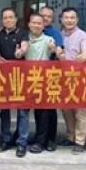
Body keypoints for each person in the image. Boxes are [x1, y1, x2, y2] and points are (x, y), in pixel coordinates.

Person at [0, 7, 30, 158]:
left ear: (16, 19)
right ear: (2, 20)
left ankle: (22, 143)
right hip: (2, 77)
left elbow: (25, 46)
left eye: (11, 17)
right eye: (5, 18)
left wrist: (21, 52)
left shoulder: (22, 33)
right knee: (4, 111)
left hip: (20, 77)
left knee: (23, 111)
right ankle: (6, 139)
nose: (8, 20)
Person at [57, 7, 86, 154]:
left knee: (79, 110)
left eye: (72, 18)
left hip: (78, 77)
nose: (69, 20)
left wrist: (81, 57)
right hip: (62, 77)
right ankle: (70, 136)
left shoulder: (83, 36)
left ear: (77, 20)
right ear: (61, 19)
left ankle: (80, 141)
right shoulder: (59, 35)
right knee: (66, 109)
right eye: (66, 18)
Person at [25, 13, 57, 154]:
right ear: (29, 24)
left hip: (43, 79)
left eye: (39, 23)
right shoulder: (25, 39)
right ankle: (35, 137)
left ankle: (41, 142)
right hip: (27, 79)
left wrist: (54, 49)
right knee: (30, 111)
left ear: (43, 26)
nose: (36, 25)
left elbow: (56, 52)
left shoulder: (49, 40)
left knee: (43, 111)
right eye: (34, 23)